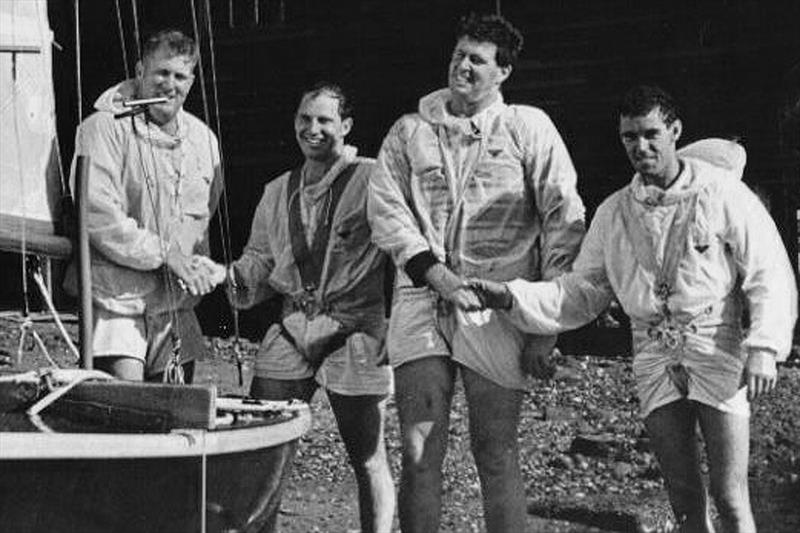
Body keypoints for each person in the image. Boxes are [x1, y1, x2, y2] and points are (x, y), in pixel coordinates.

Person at [470, 85, 798, 533]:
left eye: (650, 134)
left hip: (714, 342)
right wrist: (513, 296)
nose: (640, 147)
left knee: (730, 494)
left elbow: (768, 271)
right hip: (652, 351)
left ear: (675, 131)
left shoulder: (722, 194)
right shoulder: (615, 212)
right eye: (629, 137)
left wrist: (764, 345)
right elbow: (582, 289)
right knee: (683, 495)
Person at [367, 13, 586, 532]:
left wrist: (545, 325)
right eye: (458, 55)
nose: (462, 66)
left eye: (477, 60)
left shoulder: (528, 127)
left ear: (502, 72)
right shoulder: (410, 131)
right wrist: (435, 275)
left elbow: (563, 220)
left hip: (497, 304)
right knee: (420, 453)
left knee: (495, 450)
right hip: (424, 298)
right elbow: (386, 209)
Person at [226, 82, 395, 533]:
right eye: (305, 119)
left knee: (367, 455)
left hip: (354, 328)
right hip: (292, 326)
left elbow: (403, 250)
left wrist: (393, 326)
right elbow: (261, 258)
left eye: (324, 120)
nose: (313, 129)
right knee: (259, 445)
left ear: (346, 126)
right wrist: (234, 277)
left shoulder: (374, 178)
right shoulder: (277, 190)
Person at [66, 29, 222, 383]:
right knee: (128, 409)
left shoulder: (204, 140)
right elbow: (98, 216)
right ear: (140, 71)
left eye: (180, 76)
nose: (170, 85)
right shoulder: (101, 128)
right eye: (161, 73)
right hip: (115, 298)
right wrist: (165, 253)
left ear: (192, 81)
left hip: (173, 304)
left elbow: (203, 215)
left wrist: (193, 263)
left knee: (175, 410)